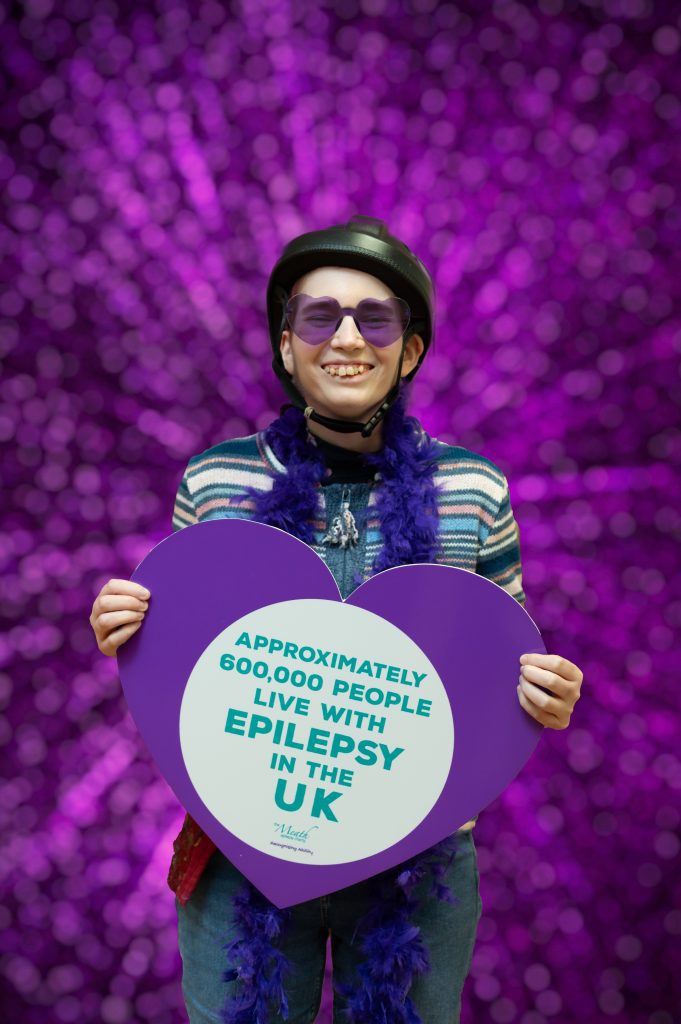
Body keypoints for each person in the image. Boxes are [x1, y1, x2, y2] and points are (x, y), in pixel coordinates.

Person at [90, 216, 583, 1024]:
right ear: (286, 347)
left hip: (416, 860)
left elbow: (503, 659)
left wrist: (541, 696)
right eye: (319, 317)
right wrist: (130, 630)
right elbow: (186, 673)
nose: (347, 339)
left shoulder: (472, 491)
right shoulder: (216, 482)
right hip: (240, 851)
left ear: (409, 351)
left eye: (375, 319)